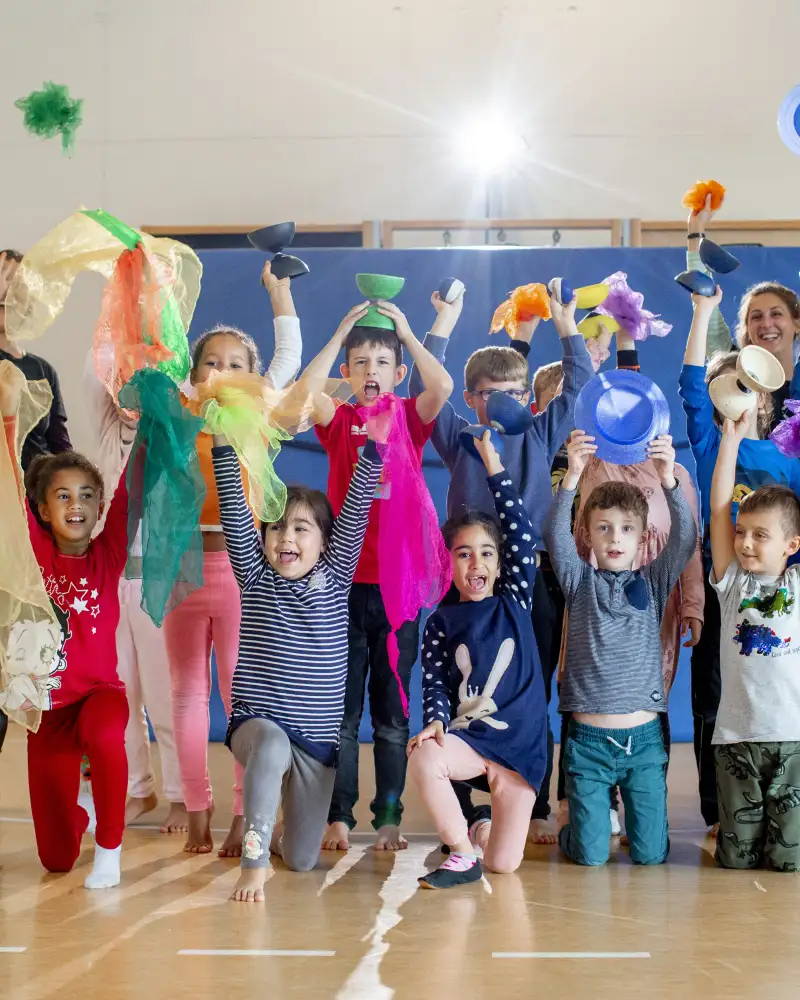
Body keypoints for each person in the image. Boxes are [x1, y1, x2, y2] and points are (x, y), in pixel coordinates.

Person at [410, 292, 593, 844]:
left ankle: (529, 799)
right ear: (472, 399)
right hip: (463, 583)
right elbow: (426, 388)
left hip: (525, 580)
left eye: (517, 392)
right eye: (494, 395)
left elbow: (579, 378)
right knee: (453, 683)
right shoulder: (461, 437)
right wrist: (443, 321)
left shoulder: (539, 432)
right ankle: (470, 814)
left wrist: (564, 322)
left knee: (528, 689)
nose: (510, 402)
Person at [211, 404, 383, 902]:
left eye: (301, 528)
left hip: (316, 738)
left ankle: (281, 829)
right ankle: (253, 861)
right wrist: (224, 440)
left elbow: (355, 507)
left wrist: (374, 447)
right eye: (277, 528)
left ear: (326, 544)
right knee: (269, 749)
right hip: (258, 721)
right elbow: (232, 504)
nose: (286, 537)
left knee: (304, 860)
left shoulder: (334, 577)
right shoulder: (254, 573)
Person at [304, 295, 454, 853]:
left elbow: (441, 389)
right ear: (348, 373)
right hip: (343, 585)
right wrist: (343, 324)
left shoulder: (409, 420)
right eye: (360, 363)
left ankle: (388, 815)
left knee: (392, 716)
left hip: (399, 592)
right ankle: (337, 814)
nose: (371, 372)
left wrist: (407, 331)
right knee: (341, 714)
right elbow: (305, 394)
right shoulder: (340, 422)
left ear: (397, 374)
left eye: (382, 364)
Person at [164, 262, 303, 857]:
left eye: (236, 363)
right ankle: (197, 807)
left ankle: (247, 814)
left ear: (253, 377)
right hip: (184, 571)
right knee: (187, 698)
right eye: (210, 363)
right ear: (192, 374)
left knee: (239, 699)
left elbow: (290, 352)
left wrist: (279, 291)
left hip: (244, 576)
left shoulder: (261, 407)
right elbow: (155, 353)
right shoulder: (179, 408)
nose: (222, 371)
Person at [545, 430, 696, 866]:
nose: (615, 537)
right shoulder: (579, 582)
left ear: (642, 536)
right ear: (588, 535)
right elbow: (556, 539)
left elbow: (684, 540)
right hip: (589, 742)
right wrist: (572, 475)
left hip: (644, 741)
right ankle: (578, 826)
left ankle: (636, 824)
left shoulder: (652, 581)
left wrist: (669, 480)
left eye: (627, 529)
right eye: (604, 528)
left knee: (651, 856)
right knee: (590, 857)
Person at [680, 287, 800, 834]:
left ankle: (783, 798)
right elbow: (688, 385)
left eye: (748, 387)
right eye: (725, 386)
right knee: (711, 692)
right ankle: (718, 807)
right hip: (723, 583)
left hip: (780, 589)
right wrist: (704, 313)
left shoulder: (785, 452)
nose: (737, 395)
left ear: (768, 400)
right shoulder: (709, 443)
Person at [1, 375, 129, 889]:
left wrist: (151, 429)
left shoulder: (109, 554)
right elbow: (11, 484)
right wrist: (9, 423)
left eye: (86, 496)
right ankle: (78, 817)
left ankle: (110, 850)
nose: (75, 505)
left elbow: (132, 491)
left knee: (104, 736)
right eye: (62, 496)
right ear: (44, 510)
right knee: (55, 860)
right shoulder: (35, 554)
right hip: (47, 714)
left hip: (100, 695)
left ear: (98, 508)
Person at [408, 430, 547, 888]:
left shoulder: (514, 600)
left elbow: (523, 534)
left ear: (500, 563)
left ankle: (481, 828)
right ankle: (463, 853)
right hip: (472, 743)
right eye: (463, 555)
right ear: (449, 564)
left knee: (505, 865)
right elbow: (433, 683)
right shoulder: (442, 622)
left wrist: (493, 463)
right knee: (425, 756)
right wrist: (434, 721)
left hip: (520, 752)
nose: (475, 565)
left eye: (486, 553)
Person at [709, 410, 800, 871]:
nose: (745, 543)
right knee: (736, 861)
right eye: (741, 533)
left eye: (760, 536)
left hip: (793, 740)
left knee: (789, 862)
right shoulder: (732, 585)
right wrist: (731, 441)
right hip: (737, 741)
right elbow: (719, 505)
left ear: (791, 544)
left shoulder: (798, 585)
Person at [0, 249, 73, 756]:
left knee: (27, 665)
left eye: (20, 285)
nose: (11, 294)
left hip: (33, 532)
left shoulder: (41, 367)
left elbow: (60, 447)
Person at [686, 194, 800, 424]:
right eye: (756, 317)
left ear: (796, 321)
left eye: (776, 313)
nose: (766, 323)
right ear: (747, 327)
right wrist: (695, 230)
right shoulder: (734, 371)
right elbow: (703, 296)